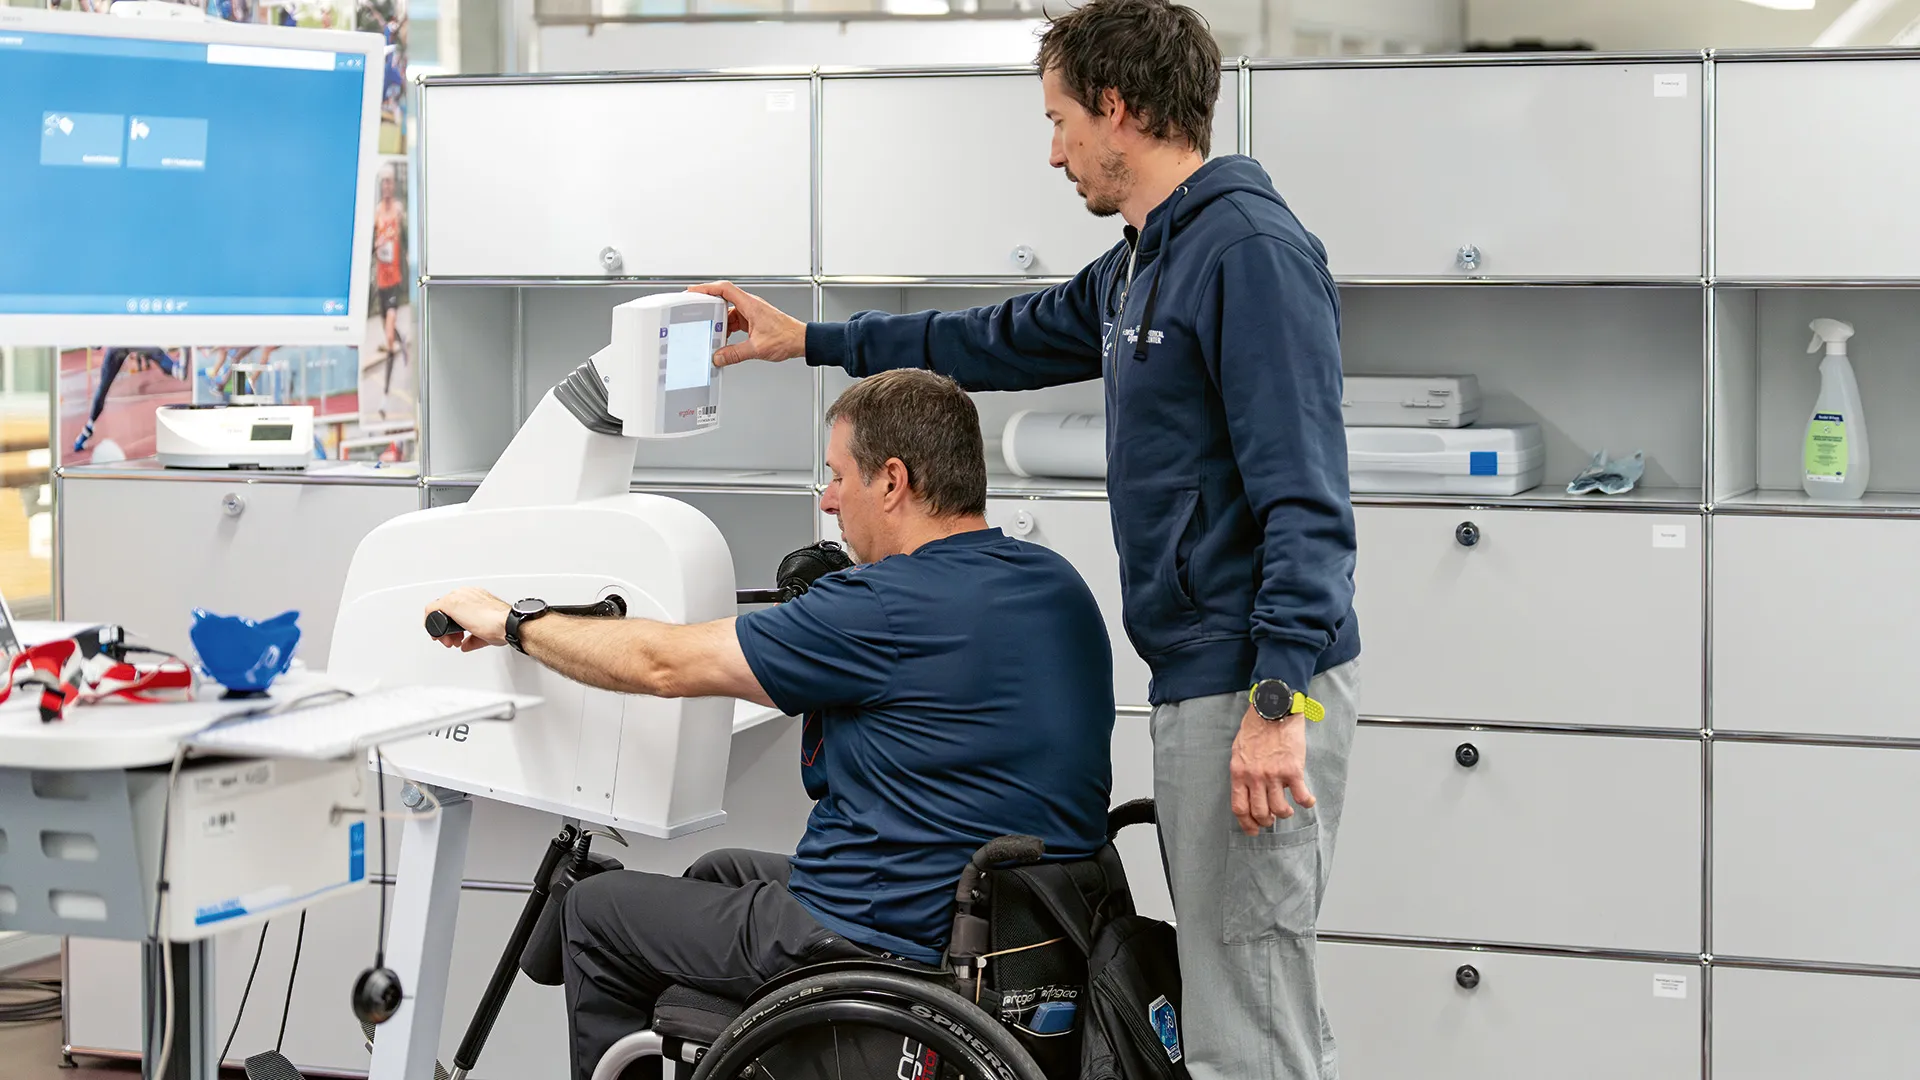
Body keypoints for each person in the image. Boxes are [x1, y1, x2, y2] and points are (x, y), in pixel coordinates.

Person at [689, 1, 1360, 1076]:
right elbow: (996, 337)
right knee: (1234, 1001)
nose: (1053, 152)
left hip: (1255, 690)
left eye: (1059, 121)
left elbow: (1309, 501)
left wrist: (1279, 702)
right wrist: (810, 339)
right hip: (1211, 686)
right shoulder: (1148, 258)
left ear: (1118, 108)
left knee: (1250, 1015)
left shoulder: (1248, 252)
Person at [423, 369, 1117, 1080]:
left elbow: (663, 664)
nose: (829, 500)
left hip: (884, 935)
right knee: (718, 872)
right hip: (1010, 926)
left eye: (839, 476)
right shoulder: (1055, 583)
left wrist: (515, 623)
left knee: (595, 914)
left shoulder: (879, 606)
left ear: (894, 481)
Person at [73, 347, 183, 454]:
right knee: (157, 352)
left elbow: (96, 346)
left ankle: (88, 428)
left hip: (118, 347)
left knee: (103, 388)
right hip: (124, 345)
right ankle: (175, 369)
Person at [370, 169, 407, 407]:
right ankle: (401, 344)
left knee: (389, 335)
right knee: (388, 334)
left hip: (394, 279)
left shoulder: (398, 210)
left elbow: (405, 237)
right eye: (383, 182)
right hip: (381, 281)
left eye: (390, 182)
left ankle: (384, 393)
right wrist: (378, 244)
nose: (387, 186)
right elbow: (373, 245)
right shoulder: (376, 213)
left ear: (393, 185)